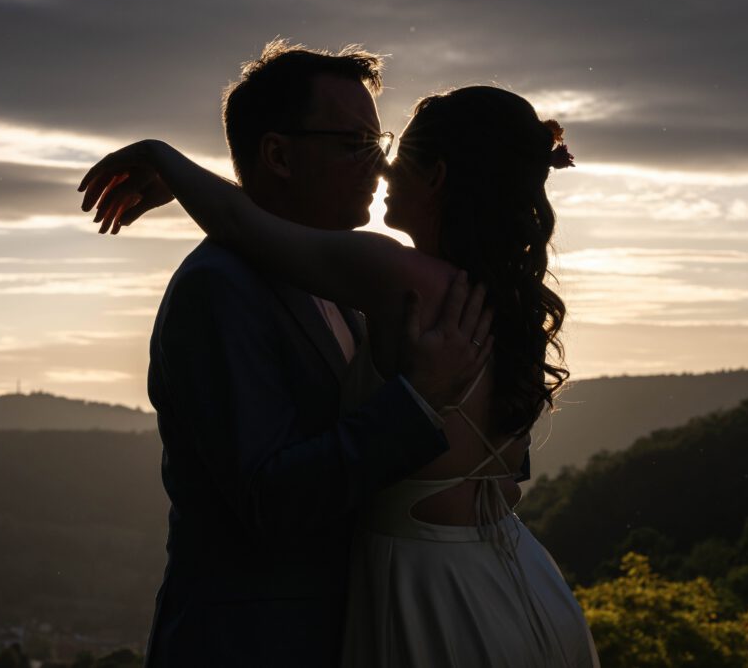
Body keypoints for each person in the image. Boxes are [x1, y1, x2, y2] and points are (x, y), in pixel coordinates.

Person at [82, 79, 601, 665]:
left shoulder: (390, 278)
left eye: (388, 146)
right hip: (518, 586)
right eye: (358, 142)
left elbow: (245, 223)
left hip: (427, 601)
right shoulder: (501, 301)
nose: (380, 166)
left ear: (435, 177)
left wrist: (165, 158)